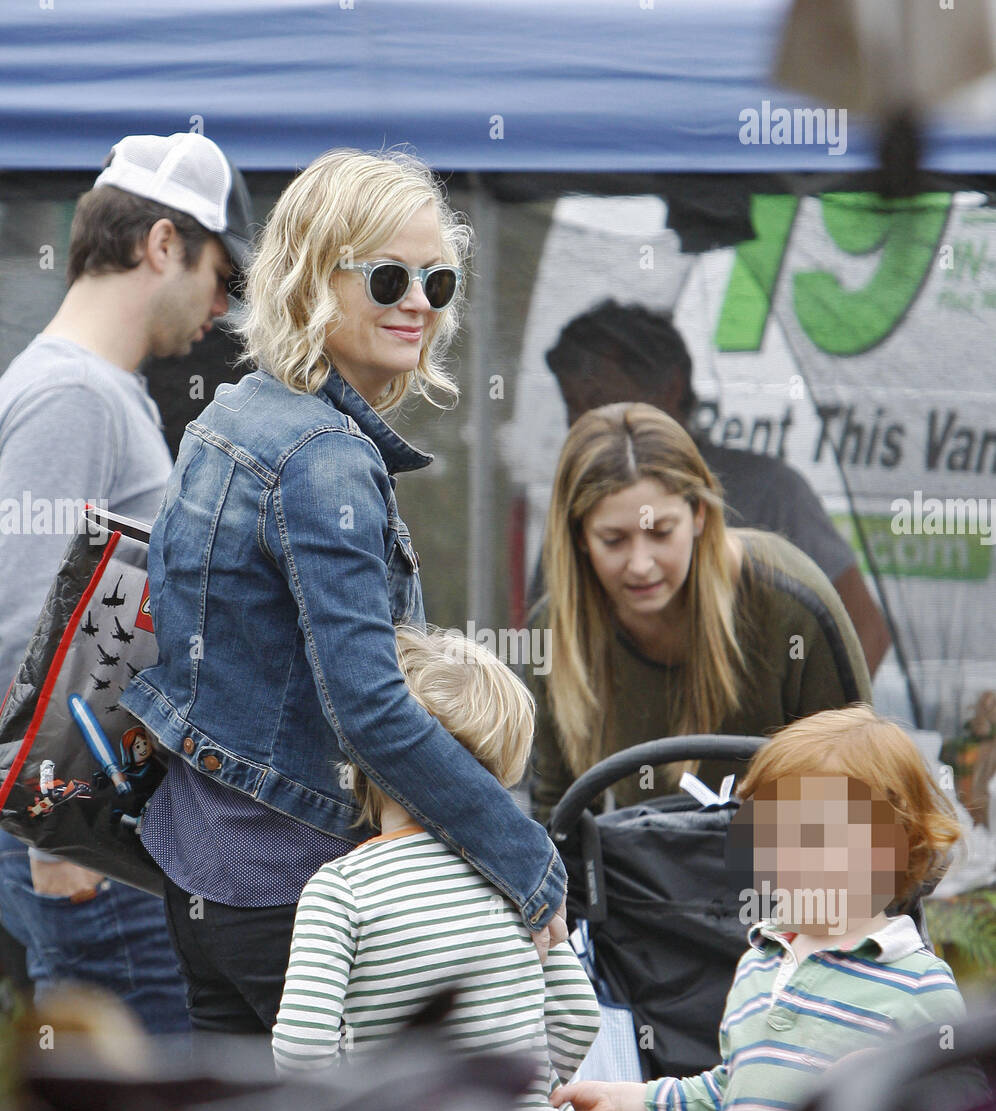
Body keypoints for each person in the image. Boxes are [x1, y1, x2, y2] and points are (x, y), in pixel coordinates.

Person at [121, 148, 569, 1038]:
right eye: (390, 276)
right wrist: (526, 857)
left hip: (201, 869)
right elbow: (369, 707)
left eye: (438, 283)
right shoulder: (321, 455)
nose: (419, 304)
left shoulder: (229, 418)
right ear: (306, 279)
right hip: (300, 893)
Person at [0, 131, 251, 1033]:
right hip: (82, 845)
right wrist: (59, 821)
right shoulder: (77, 397)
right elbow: (24, 623)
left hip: (89, 835)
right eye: (223, 275)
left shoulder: (93, 391)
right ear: (161, 245)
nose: (222, 309)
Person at [552, 705, 968, 1111]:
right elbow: (731, 1094)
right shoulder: (759, 962)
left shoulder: (918, 985)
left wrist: (893, 1097)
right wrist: (621, 1101)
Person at [273, 626, 600, 1111]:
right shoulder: (518, 876)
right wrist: (534, 1095)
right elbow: (578, 1016)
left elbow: (301, 1049)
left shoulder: (340, 890)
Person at [528, 402, 872, 824]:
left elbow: (861, 790)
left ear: (699, 514)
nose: (640, 564)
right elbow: (557, 818)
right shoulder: (555, 632)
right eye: (613, 540)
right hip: (646, 881)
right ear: (579, 536)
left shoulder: (793, 604)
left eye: (660, 533)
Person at [539, 299, 891, 677]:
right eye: (571, 406)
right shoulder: (578, 503)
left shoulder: (770, 493)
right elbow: (544, 641)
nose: (581, 423)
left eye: (598, 401)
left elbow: (865, 631)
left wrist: (809, 732)